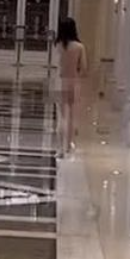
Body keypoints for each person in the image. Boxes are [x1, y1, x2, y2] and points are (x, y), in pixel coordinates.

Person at [53, 17, 88, 157]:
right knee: (72, 116)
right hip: (73, 81)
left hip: (59, 80)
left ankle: (59, 148)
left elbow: (55, 64)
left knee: (61, 116)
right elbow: (84, 68)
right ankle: (68, 146)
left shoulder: (57, 45)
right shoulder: (79, 47)